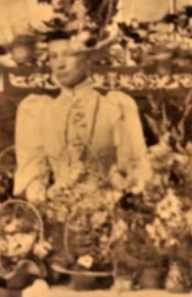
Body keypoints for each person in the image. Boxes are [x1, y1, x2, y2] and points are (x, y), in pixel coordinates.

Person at [13, 28, 151, 202]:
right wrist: (43, 200)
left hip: (107, 210)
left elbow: (135, 169)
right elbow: (32, 175)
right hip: (56, 212)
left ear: (87, 58)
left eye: (68, 55)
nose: (60, 65)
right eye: (53, 56)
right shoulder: (38, 111)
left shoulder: (115, 106)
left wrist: (117, 198)